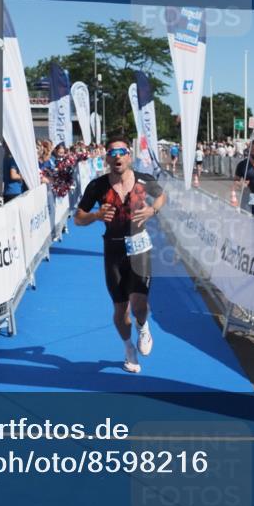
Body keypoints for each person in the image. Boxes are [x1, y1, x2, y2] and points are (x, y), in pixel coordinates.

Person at [75, 135, 166, 374]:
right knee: (120, 310)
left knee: (140, 304)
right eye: (112, 153)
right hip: (113, 250)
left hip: (140, 247)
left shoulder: (144, 180)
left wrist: (152, 210)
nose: (117, 157)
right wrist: (95, 216)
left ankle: (143, 326)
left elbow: (162, 195)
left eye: (121, 152)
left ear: (129, 155)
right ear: (106, 158)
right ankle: (128, 348)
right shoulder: (97, 186)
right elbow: (78, 218)